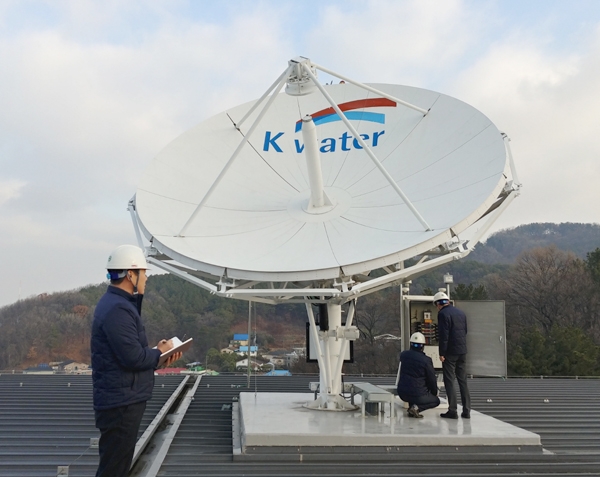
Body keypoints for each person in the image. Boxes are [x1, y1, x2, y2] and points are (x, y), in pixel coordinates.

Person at [91, 244, 182, 477]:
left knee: (116, 466)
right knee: (114, 469)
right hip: (120, 403)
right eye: (144, 272)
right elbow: (132, 357)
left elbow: (127, 354)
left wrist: (159, 357)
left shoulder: (117, 305)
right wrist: (157, 353)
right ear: (130, 275)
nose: (147, 278)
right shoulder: (117, 310)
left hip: (122, 398)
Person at [434, 291, 471, 419]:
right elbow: (465, 331)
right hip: (462, 351)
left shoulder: (443, 314)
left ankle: (453, 410)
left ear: (438, 304)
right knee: (463, 381)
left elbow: (444, 336)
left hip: (450, 352)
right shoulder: (461, 313)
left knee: (449, 381)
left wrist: (442, 353)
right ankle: (466, 411)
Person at [397, 332, 440, 418]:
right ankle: (416, 408)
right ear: (423, 346)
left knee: (412, 387)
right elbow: (431, 379)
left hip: (402, 392)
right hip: (418, 394)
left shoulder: (404, 355)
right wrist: (434, 392)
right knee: (436, 401)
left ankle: (412, 409)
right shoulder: (426, 360)